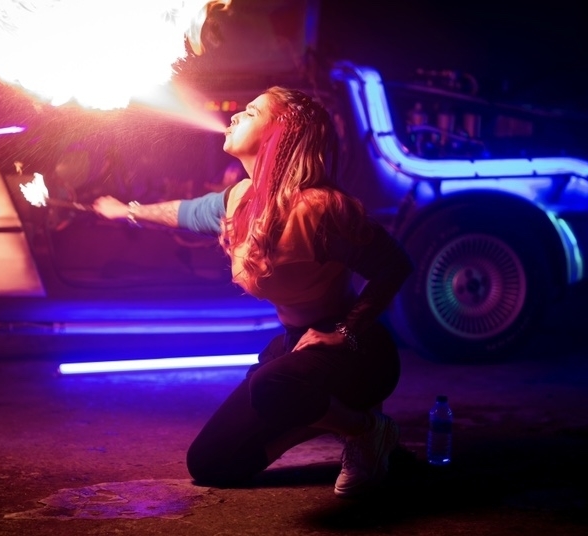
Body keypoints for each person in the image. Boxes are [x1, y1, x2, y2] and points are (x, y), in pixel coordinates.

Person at [93, 87, 413, 498]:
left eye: (251, 112)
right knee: (211, 463)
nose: (234, 117)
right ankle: (335, 422)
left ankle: (366, 430)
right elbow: (184, 212)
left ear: (281, 131)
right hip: (296, 350)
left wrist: (346, 331)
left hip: (356, 353)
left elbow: (394, 265)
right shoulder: (240, 200)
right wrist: (128, 211)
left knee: (270, 386)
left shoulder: (320, 210)